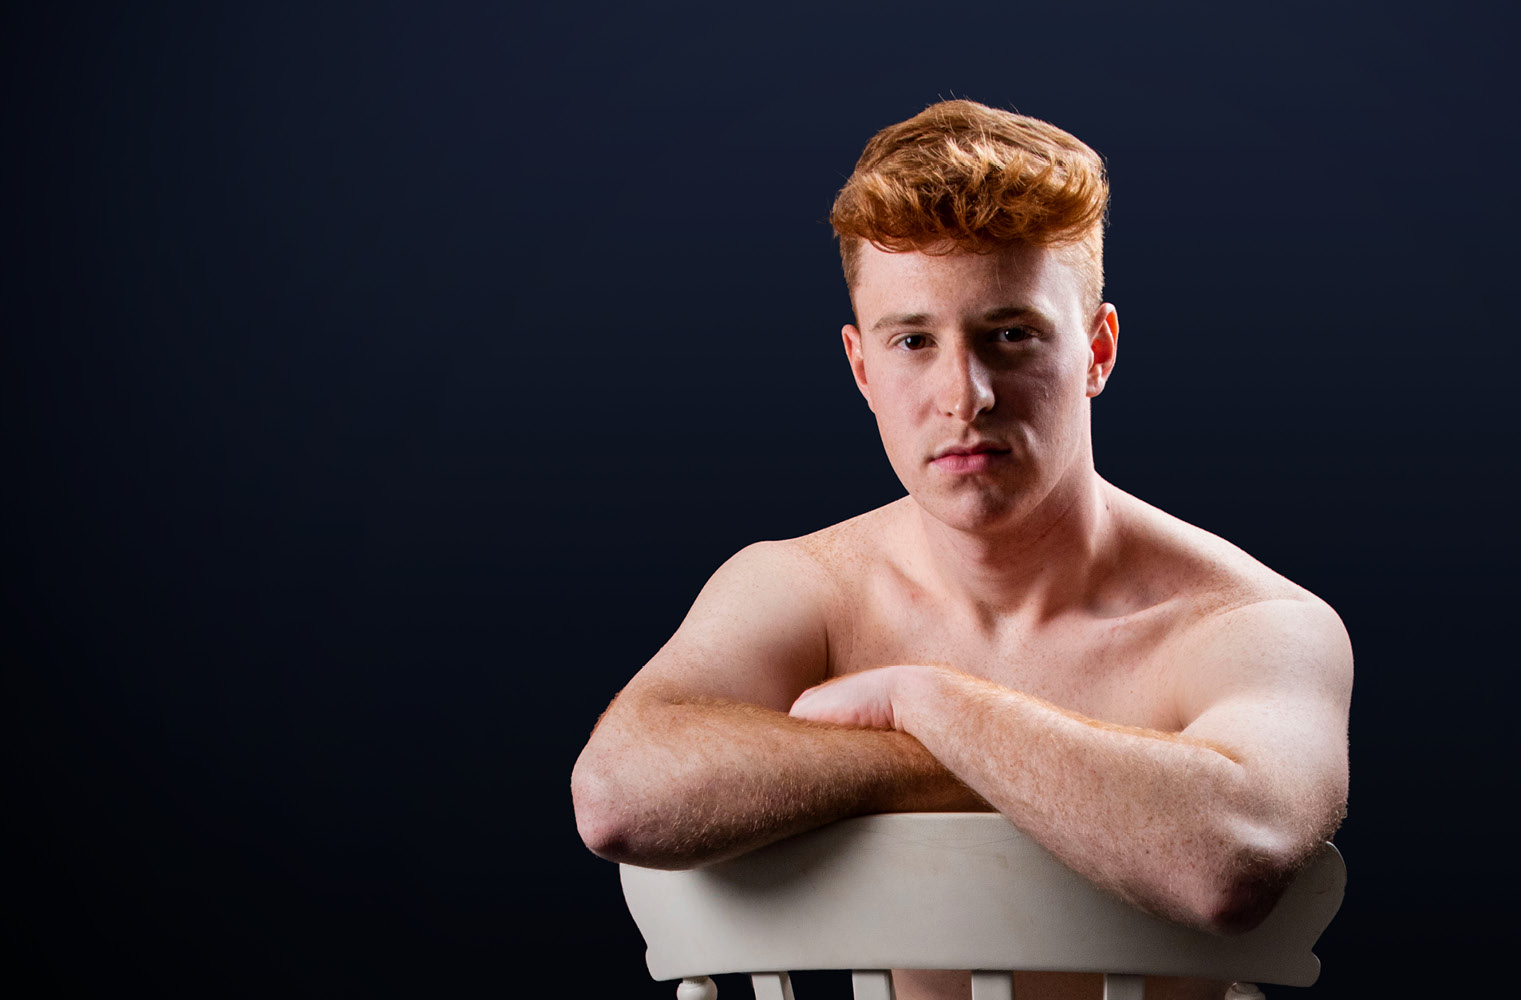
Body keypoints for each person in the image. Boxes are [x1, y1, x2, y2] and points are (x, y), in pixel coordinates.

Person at [571, 99, 1353, 1000]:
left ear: (1097, 352)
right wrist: (974, 765)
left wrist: (920, 697)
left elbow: (1229, 861)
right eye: (913, 341)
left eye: (1011, 336)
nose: (965, 394)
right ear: (863, 369)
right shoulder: (806, 589)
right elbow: (619, 794)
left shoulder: (1254, 624)